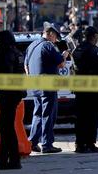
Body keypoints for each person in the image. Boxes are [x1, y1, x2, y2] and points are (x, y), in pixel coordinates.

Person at [24, 22, 69, 154]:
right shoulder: (48, 46)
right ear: (50, 34)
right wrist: (65, 55)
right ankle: (47, 144)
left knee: (37, 113)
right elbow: (60, 64)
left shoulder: (32, 45)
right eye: (55, 37)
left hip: (35, 85)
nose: (55, 40)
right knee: (49, 114)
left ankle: (32, 142)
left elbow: (26, 66)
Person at [0, 31, 27, 170]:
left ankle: (13, 159)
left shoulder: (6, 54)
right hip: (15, 93)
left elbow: (5, 73)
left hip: (8, 93)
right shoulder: (18, 53)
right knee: (6, 127)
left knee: (6, 127)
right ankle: (5, 159)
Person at [72, 26, 98, 154]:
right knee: (92, 117)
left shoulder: (78, 49)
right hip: (92, 89)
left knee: (81, 117)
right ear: (93, 36)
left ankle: (80, 144)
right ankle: (90, 143)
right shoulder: (94, 51)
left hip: (80, 88)